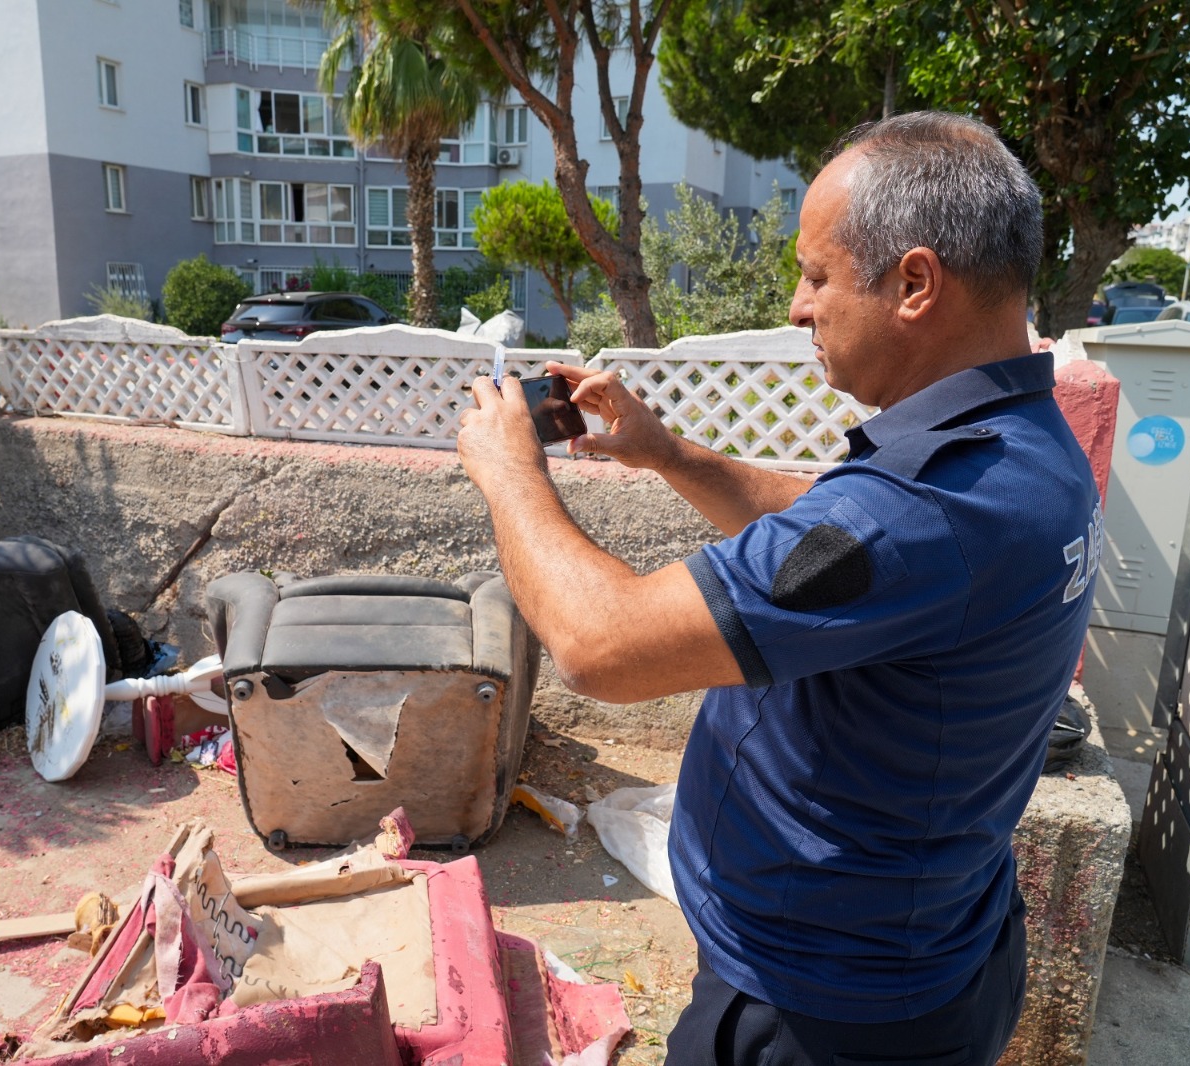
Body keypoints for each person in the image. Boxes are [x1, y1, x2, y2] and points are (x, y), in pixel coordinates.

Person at [455, 111, 1101, 1066]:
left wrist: (510, 471)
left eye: (817, 275)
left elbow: (602, 646)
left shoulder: (933, 509)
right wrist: (667, 452)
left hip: (823, 1008)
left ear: (916, 283)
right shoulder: (1021, 448)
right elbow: (828, 525)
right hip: (926, 950)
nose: (799, 308)